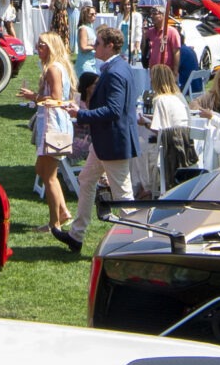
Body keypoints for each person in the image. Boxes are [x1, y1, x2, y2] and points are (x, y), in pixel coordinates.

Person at [65, 26, 143, 252]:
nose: (94, 46)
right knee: (86, 181)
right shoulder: (118, 67)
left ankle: (136, 243)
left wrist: (80, 114)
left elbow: (114, 110)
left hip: (113, 143)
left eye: (97, 42)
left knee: (124, 197)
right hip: (105, 143)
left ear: (110, 46)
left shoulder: (116, 71)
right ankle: (76, 235)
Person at [22, 31, 78, 240]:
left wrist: (34, 97)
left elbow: (55, 99)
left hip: (54, 126)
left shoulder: (54, 69)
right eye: (38, 44)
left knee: (50, 176)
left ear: (52, 47)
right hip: (53, 124)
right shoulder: (56, 67)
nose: (39, 48)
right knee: (42, 170)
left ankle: (55, 223)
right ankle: (62, 212)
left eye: (43, 45)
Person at [143, 62, 189, 189]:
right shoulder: (179, 97)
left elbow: (159, 131)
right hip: (186, 145)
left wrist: (145, 122)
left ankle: (146, 187)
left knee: (141, 148)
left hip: (170, 149)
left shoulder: (160, 99)